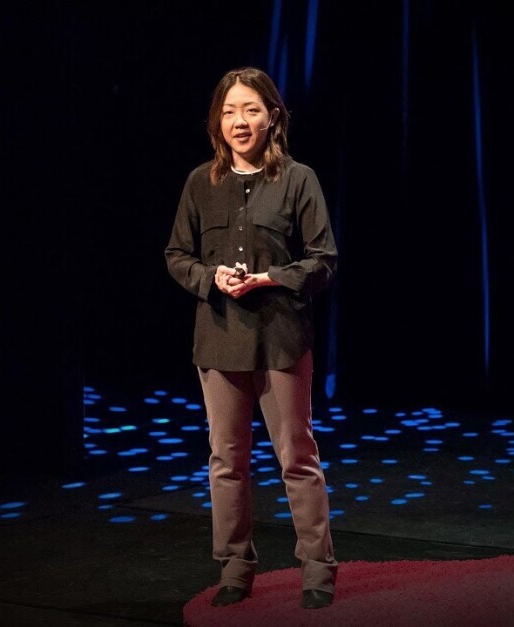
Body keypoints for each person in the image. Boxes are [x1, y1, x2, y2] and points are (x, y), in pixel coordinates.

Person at [165, 66, 339, 609]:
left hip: (282, 338)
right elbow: (176, 255)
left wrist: (271, 278)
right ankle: (235, 568)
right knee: (227, 459)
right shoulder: (201, 182)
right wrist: (209, 277)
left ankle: (317, 570)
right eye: (229, 111)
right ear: (216, 122)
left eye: (251, 110)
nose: (239, 121)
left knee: (297, 456)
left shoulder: (298, 179)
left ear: (273, 117)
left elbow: (324, 260)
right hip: (219, 340)